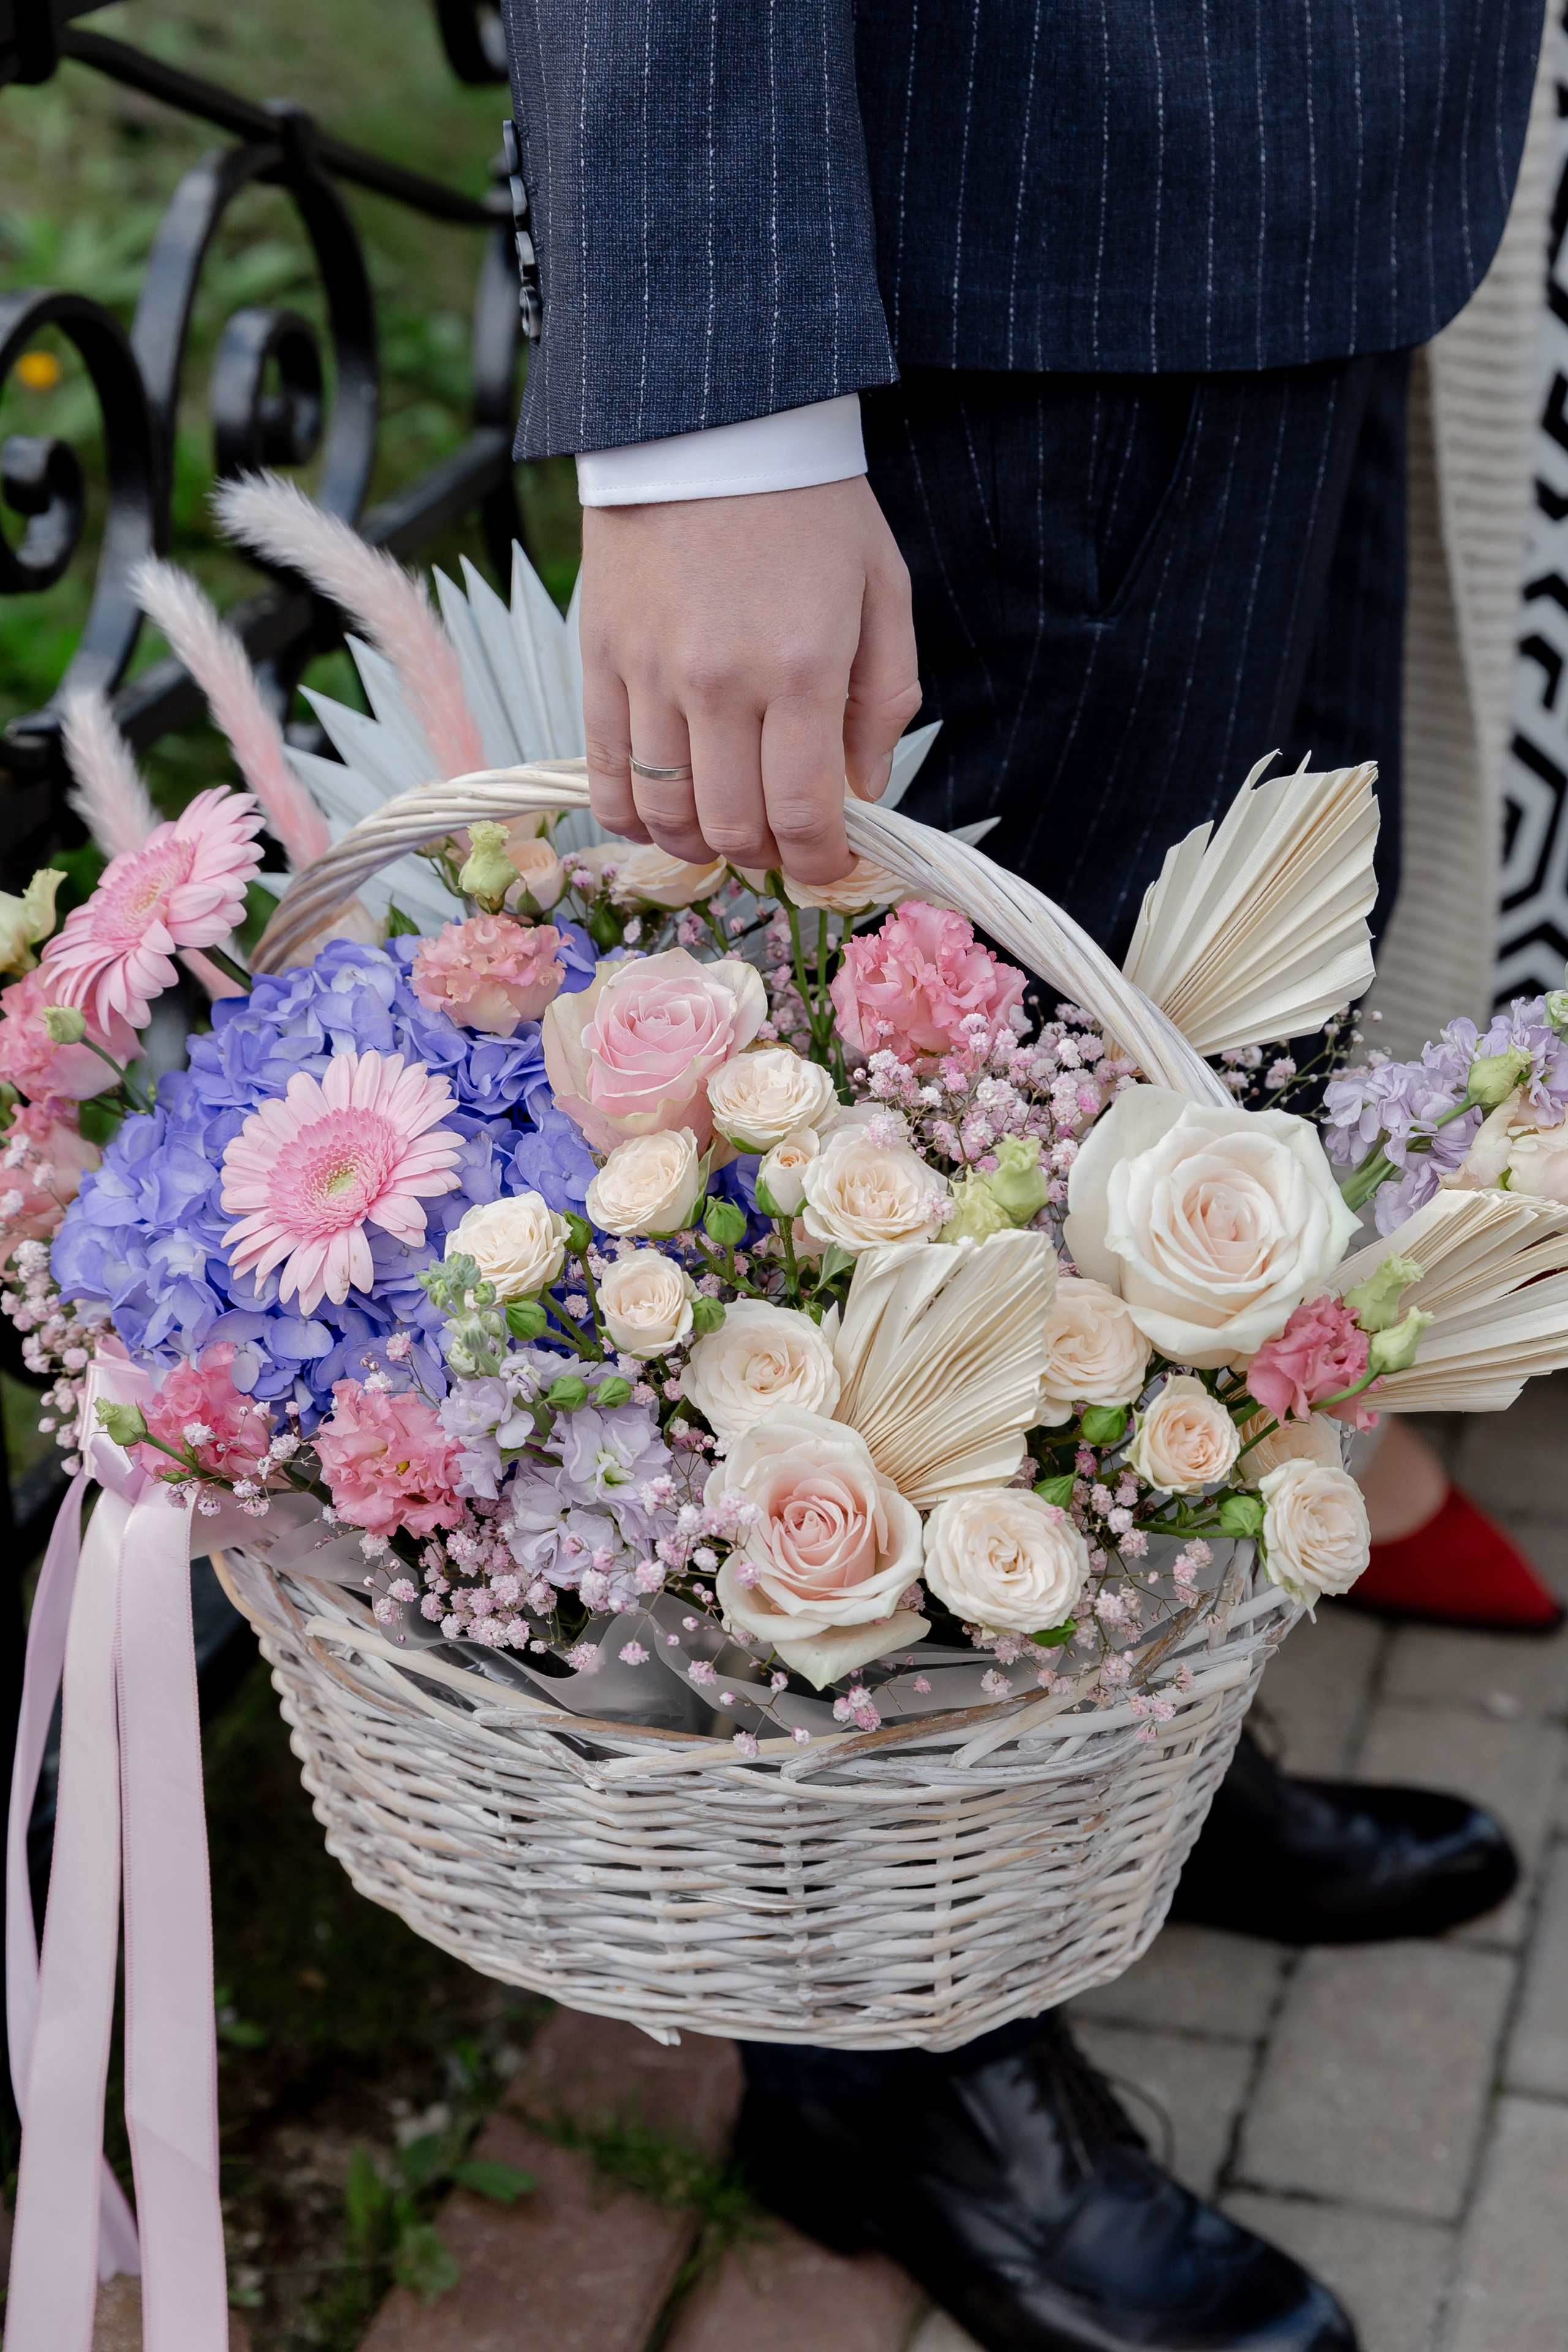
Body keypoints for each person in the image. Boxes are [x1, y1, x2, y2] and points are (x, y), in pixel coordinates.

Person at [497, 7, 1544, 2347]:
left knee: (1211, 1128)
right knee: (934, 1279)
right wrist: (712, 407)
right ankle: (898, 2060)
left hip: (1301, 207)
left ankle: (1127, 1781)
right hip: (986, 239)